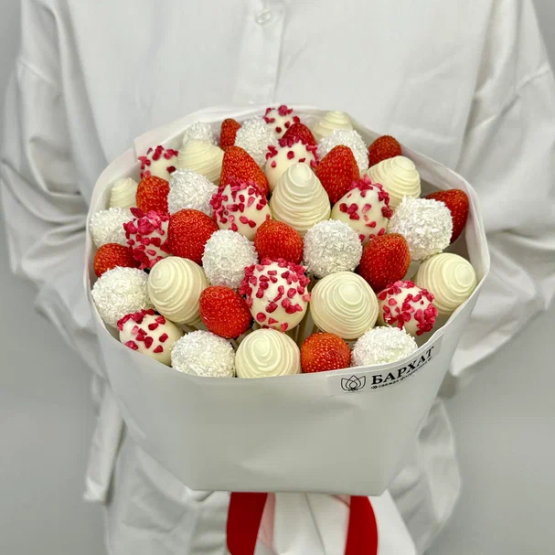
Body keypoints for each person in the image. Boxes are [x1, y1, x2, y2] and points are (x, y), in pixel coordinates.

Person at [2, 0, 555, 553]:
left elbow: (521, 238)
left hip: (388, 491)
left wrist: (395, 389)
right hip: (164, 501)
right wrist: (151, 384)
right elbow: (43, 217)